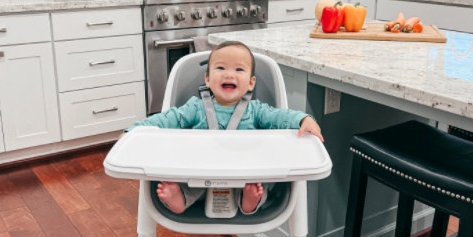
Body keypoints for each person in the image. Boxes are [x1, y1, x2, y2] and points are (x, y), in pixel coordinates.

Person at [120, 41, 323, 214]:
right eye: (220, 68)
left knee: (256, 186)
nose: (229, 75)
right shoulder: (196, 106)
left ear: (251, 83)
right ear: (207, 79)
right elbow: (166, 119)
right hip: (199, 173)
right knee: (184, 181)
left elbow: (281, 116)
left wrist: (304, 119)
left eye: (239, 69)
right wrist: (135, 131)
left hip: (241, 173)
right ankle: (178, 200)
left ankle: (249, 202)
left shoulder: (256, 110)